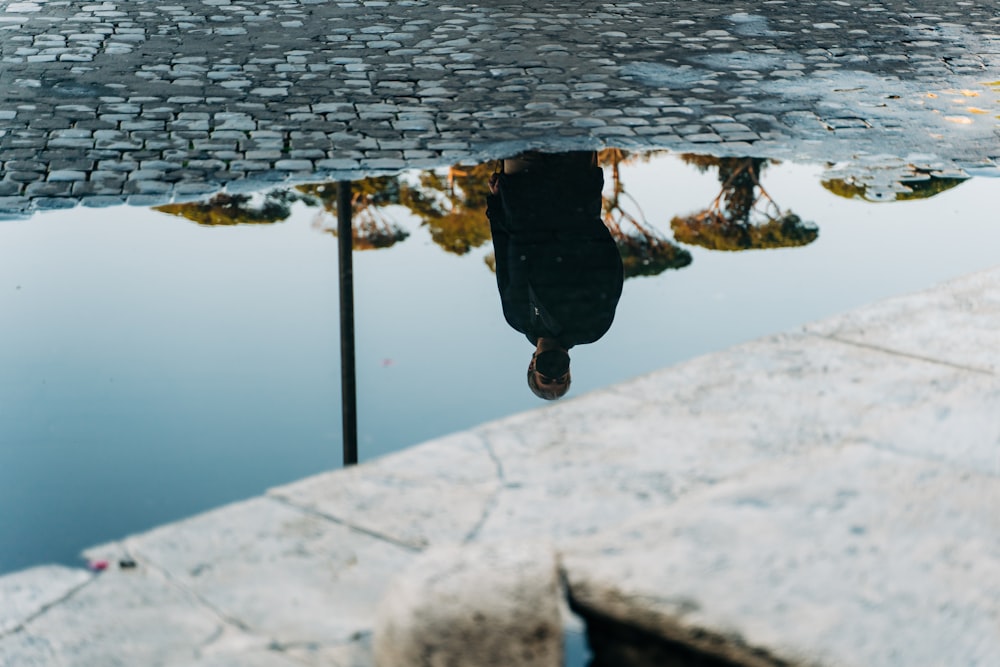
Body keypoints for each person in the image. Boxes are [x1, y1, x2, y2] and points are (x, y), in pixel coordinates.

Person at [486, 151, 624, 400]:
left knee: (518, 123)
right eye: (561, 378)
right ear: (569, 371)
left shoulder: (517, 318)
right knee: (575, 122)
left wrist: (496, 203)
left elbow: (503, 256)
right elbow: (611, 270)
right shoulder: (592, 328)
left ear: (532, 366)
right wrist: (586, 223)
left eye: (546, 378)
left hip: (520, 198)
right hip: (574, 197)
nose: (554, 374)